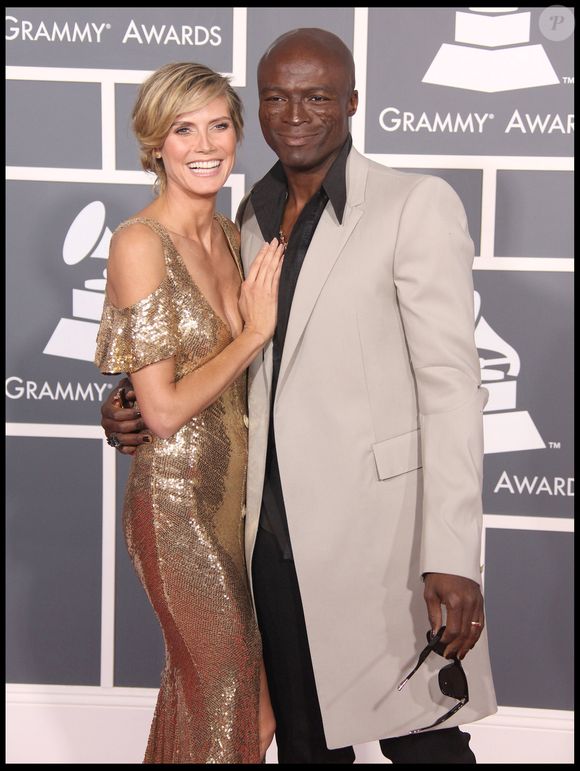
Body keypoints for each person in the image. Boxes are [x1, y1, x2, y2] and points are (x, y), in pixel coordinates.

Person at [101, 29, 498, 764]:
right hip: (270, 536)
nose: (295, 114)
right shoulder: (249, 215)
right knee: (305, 744)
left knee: (424, 743)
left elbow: (451, 390)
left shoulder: (414, 204)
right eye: (277, 98)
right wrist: (131, 398)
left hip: (383, 538)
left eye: (317, 97)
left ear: (351, 102)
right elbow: (214, 350)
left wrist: (454, 552)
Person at [94, 61, 283, 764]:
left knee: (200, 703)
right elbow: (164, 409)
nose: (205, 143)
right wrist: (254, 334)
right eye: (183, 128)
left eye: (218, 124)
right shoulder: (139, 243)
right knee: (243, 712)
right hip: (175, 512)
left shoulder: (236, 237)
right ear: (156, 144)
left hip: (236, 509)